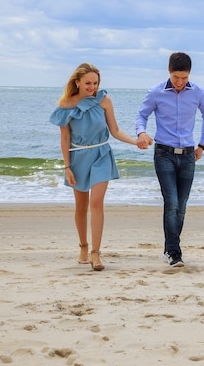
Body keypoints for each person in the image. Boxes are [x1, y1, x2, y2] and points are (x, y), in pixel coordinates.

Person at [49, 63, 139, 271]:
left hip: (101, 154)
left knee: (96, 203)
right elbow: (64, 139)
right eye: (88, 83)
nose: (92, 87)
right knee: (81, 206)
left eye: (95, 83)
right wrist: (67, 167)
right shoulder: (65, 106)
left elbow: (115, 131)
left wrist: (136, 142)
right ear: (77, 82)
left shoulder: (104, 100)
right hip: (77, 157)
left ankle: (96, 254)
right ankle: (83, 246)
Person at [135, 52, 204, 268]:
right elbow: (141, 115)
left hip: (188, 155)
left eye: (184, 78)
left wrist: (202, 144)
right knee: (171, 204)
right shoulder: (156, 92)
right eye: (176, 77)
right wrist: (141, 132)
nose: (179, 83)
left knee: (182, 206)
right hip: (163, 153)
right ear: (169, 71)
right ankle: (174, 252)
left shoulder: (199, 93)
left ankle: (169, 247)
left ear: (189, 75)